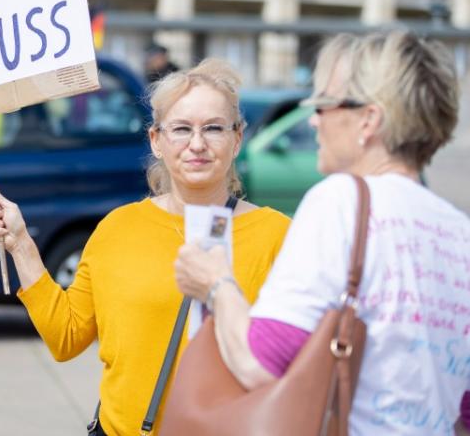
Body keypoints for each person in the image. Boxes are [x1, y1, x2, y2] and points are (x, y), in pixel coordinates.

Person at [174, 30, 470, 435]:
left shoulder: (342, 201)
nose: (313, 119)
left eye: (325, 104)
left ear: (369, 120)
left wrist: (216, 283)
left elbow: (260, 363)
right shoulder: (459, 233)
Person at [0, 59, 290, 435]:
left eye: (213, 128)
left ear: (237, 138)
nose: (197, 144)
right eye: (181, 129)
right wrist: (20, 244)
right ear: (156, 141)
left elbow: (291, 364)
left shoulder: (278, 236)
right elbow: (66, 336)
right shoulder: (118, 229)